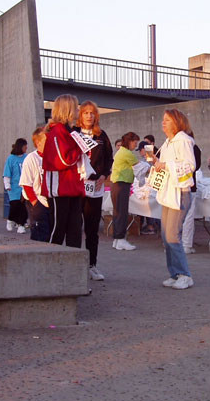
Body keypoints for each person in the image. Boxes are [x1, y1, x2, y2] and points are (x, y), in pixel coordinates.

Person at [153, 109, 196, 290]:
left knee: (172, 235)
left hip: (180, 193)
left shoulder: (183, 140)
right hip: (168, 192)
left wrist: (165, 165)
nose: (163, 123)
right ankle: (175, 273)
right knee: (166, 236)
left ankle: (185, 275)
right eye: (163, 120)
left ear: (177, 122)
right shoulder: (167, 143)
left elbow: (190, 165)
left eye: (167, 120)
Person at [74, 101, 114, 280]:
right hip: (76, 186)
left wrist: (104, 176)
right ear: (80, 115)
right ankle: (74, 265)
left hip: (95, 187)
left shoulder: (101, 135)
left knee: (92, 229)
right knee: (74, 228)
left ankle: (92, 265)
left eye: (92, 113)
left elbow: (109, 159)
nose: (89, 116)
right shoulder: (74, 133)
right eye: (86, 113)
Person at [41, 94, 85, 247]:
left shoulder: (71, 131)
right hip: (59, 188)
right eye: (76, 107)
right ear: (68, 109)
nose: (78, 110)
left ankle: (75, 258)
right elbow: (63, 161)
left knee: (75, 230)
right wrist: (81, 148)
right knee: (57, 229)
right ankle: (50, 258)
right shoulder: (57, 131)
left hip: (73, 187)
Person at [20, 125, 51, 242]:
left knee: (50, 233)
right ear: (38, 142)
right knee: (40, 233)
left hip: (50, 201)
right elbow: (26, 184)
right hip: (37, 201)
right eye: (46, 140)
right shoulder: (31, 159)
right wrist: (35, 203)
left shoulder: (52, 158)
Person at [110, 131, 140, 251]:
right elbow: (139, 166)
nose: (136, 145)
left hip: (118, 184)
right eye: (135, 142)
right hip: (121, 184)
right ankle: (121, 239)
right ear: (130, 142)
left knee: (118, 212)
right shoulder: (126, 153)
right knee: (121, 212)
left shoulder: (122, 152)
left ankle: (117, 239)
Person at [182, 130, 202, 254]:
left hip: (176, 186)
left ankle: (173, 243)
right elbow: (197, 166)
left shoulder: (176, 148)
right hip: (190, 185)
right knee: (188, 216)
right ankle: (186, 245)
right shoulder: (194, 148)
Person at [3, 138, 29, 233]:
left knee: (22, 207)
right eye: (25, 146)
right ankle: (10, 220)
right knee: (15, 205)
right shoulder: (11, 159)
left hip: (24, 186)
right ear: (20, 146)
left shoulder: (27, 157)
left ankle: (21, 225)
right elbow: (7, 173)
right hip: (13, 187)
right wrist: (7, 185)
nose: (26, 148)